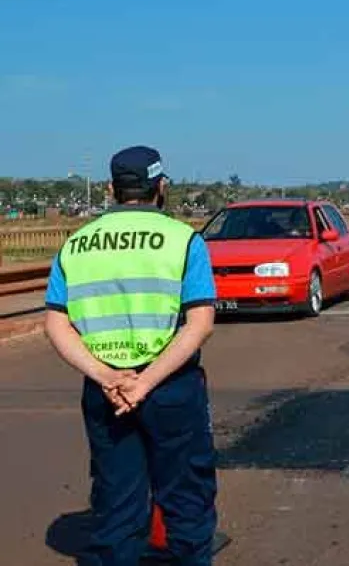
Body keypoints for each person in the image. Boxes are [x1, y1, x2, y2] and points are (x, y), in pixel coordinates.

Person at [43, 145, 219, 565]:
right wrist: (145, 381)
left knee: (117, 505)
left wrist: (107, 377)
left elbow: (56, 324)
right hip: (168, 387)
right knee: (186, 502)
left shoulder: (77, 245)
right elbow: (200, 322)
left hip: (106, 394)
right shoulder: (183, 241)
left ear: (111, 189)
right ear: (161, 187)